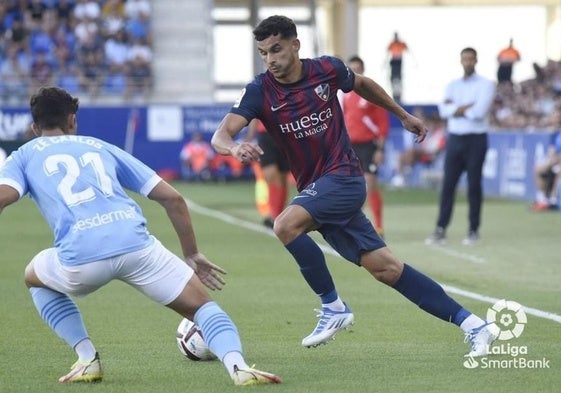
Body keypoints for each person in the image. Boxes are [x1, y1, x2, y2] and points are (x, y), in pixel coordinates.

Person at [211, 15, 498, 358]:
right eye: (263, 53)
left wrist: (402, 114)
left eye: (276, 49)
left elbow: (362, 84)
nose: (271, 59)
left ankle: (333, 307)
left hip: (345, 176)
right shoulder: (260, 89)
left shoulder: (326, 70)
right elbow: (221, 135)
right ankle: (475, 326)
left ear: (295, 45)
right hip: (318, 187)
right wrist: (234, 147)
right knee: (387, 269)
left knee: (285, 224)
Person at [0, 87, 281, 386]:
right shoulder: (99, 146)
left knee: (33, 276)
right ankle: (238, 367)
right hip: (137, 247)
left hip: (80, 261)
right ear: (72, 121)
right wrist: (192, 254)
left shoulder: (23, 155)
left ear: (34, 127)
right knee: (203, 308)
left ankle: (87, 358)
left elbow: (4, 197)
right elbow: (173, 199)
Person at [426, 47, 495, 246]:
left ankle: (473, 230)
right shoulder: (452, 85)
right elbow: (444, 110)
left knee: (474, 185)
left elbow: (479, 112)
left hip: (476, 138)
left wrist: (456, 108)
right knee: (448, 184)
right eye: (465, 59)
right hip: (456, 137)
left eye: (471, 59)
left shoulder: (486, 84)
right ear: (460, 60)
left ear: (476, 60)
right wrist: (464, 107)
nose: (468, 62)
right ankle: (440, 229)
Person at [342, 55, 389, 236]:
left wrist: (380, 148)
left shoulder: (371, 93)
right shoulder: (345, 94)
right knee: (353, 185)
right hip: (350, 145)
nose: (355, 73)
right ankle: (354, 224)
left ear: (362, 70)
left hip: (369, 145)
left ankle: (378, 226)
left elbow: (382, 123)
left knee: (371, 183)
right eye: (351, 69)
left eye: (357, 69)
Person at [246, 119, 291, 228]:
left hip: (286, 133)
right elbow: (254, 114)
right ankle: (275, 215)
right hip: (266, 135)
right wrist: (250, 138)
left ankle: (278, 215)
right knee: (271, 175)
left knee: (283, 177)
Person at [391, 110, 446, 189]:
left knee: (412, 151)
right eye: (433, 121)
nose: (434, 123)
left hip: (432, 155)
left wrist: (430, 151)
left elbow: (439, 148)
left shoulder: (441, 133)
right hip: (423, 154)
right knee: (402, 155)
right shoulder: (430, 132)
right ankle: (400, 176)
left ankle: (407, 171)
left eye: (436, 122)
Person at [531, 131, 561, 211]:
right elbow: (553, 149)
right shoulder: (558, 134)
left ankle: (553, 201)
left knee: (559, 172)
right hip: (555, 160)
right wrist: (551, 159)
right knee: (538, 169)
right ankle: (542, 200)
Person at [386, 32, 408, 102]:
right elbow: (387, 53)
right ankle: (395, 93)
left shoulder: (401, 43)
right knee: (394, 77)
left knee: (398, 78)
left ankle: (398, 95)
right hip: (394, 60)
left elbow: (407, 50)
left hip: (398, 60)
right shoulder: (392, 43)